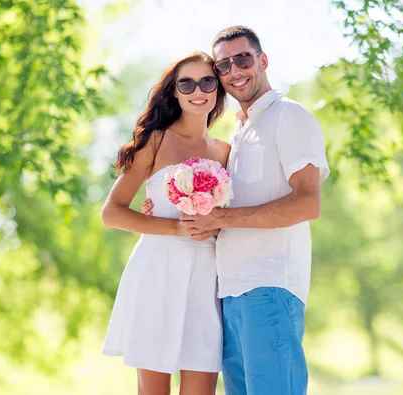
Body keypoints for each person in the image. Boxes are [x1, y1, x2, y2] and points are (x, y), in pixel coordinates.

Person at [142, 26, 330, 395]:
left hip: (269, 288)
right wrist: (164, 208)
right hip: (228, 294)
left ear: (262, 60)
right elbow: (223, 210)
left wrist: (221, 218)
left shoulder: (289, 116)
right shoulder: (240, 135)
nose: (234, 71)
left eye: (242, 59)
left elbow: (308, 202)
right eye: (223, 65)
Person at [101, 51, 230, 395]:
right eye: (186, 82)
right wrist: (174, 228)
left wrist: (214, 227)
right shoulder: (155, 140)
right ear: (174, 91)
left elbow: (229, 219)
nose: (197, 90)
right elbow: (111, 212)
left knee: (202, 386)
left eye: (207, 81)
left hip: (207, 275)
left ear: (218, 88)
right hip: (158, 270)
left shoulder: (226, 151)